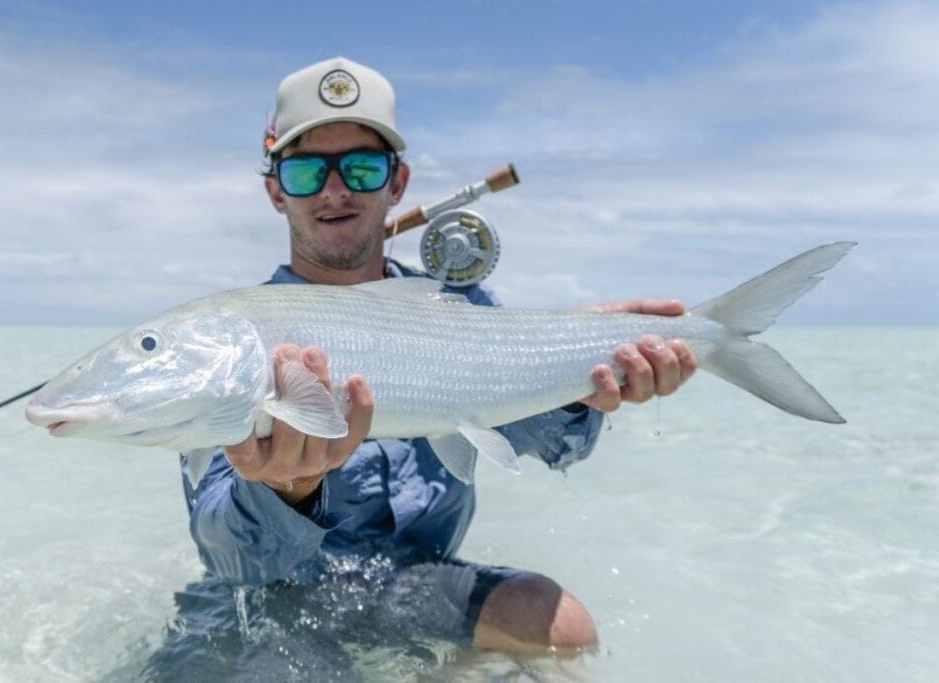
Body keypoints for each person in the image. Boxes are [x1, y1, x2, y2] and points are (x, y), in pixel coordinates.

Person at [182, 56, 697, 655]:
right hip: (274, 608)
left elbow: (558, 446)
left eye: (362, 167)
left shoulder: (460, 309)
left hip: (411, 587)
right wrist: (280, 491)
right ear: (276, 191)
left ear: (396, 183)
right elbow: (226, 556)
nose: (335, 191)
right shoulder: (238, 336)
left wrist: (584, 383)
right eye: (304, 173)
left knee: (561, 630)